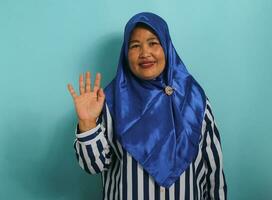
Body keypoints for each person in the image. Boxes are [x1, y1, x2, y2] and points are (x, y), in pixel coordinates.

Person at [67, 12, 227, 200]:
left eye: (153, 43)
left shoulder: (193, 97)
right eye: (135, 46)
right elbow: (93, 166)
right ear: (125, 54)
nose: (145, 53)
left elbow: (213, 171)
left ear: (167, 47)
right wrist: (87, 123)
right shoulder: (110, 100)